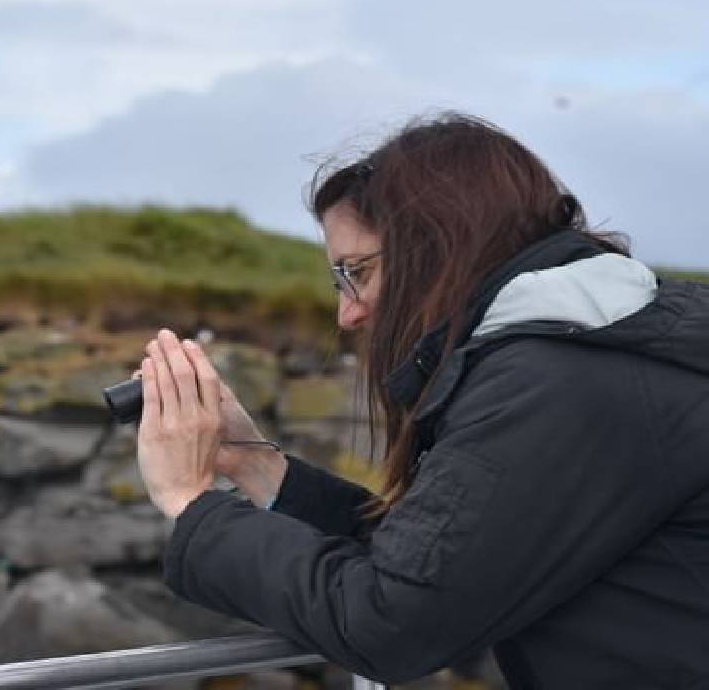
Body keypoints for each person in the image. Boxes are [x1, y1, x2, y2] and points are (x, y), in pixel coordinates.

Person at [134, 113, 709, 688]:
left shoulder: (558, 380)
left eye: (354, 272)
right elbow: (439, 560)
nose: (348, 313)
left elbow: (390, 623)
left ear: (439, 245)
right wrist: (256, 465)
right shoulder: (587, 350)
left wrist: (190, 500)